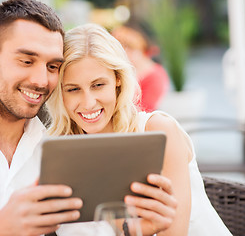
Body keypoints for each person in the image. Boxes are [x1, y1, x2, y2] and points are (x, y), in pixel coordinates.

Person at [0, 0, 177, 236]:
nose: (41, 80)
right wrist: (1, 227)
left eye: (52, 67)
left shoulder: (65, 153)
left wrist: (135, 231)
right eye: (26, 61)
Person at [46, 23, 233, 236]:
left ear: (117, 79)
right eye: (73, 89)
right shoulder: (58, 152)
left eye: (98, 85)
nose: (88, 103)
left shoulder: (158, 132)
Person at [111, 25, 170, 112]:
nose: (124, 53)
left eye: (128, 48)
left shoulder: (156, 76)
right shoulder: (125, 70)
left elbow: (145, 110)